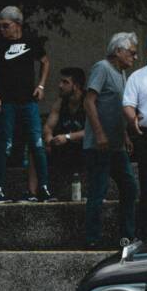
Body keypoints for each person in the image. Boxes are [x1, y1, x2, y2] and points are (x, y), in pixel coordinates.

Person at [0, 6, 52, 203]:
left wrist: (41, 85)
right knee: (5, 145)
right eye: (0, 26)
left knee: (37, 144)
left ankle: (44, 189)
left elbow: (45, 62)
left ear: (17, 25)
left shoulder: (31, 40)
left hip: (28, 101)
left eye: (6, 26)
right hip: (7, 103)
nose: (2, 30)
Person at [84, 32, 139, 248]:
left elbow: (117, 108)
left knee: (129, 186)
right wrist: (99, 133)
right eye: (132, 53)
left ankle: (127, 235)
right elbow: (89, 102)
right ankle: (92, 239)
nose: (134, 58)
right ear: (118, 51)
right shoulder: (102, 68)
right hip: (99, 145)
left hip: (116, 145)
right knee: (98, 189)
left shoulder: (122, 74)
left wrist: (125, 135)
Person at [42, 68, 87, 197]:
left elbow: (94, 131)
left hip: (83, 148)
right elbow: (48, 127)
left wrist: (68, 137)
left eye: (65, 82)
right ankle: (36, 192)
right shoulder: (61, 101)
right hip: (63, 147)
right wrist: (49, 139)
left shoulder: (87, 101)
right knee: (37, 148)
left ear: (76, 86)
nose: (60, 85)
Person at [123, 35, 147, 236]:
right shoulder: (138, 77)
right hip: (146, 134)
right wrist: (133, 120)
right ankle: (146, 233)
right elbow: (128, 104)